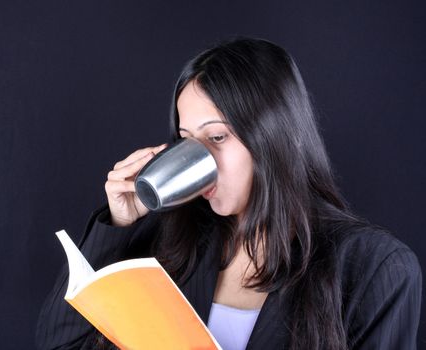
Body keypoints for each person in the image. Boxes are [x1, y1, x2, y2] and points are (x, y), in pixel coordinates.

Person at [36, 38, 422, 350]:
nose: (199, 159)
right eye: (187, 141)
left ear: (277, 137)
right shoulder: (173, 242)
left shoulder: (375, 268)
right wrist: (118, 223)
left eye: (217, 137)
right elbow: (58, 342)